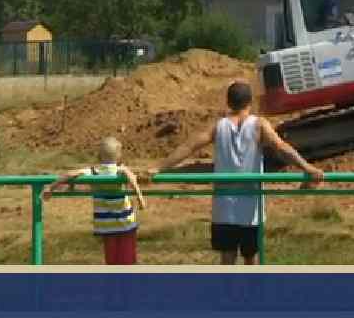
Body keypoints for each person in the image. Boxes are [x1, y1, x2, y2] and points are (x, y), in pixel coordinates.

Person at [153, 81, 323, 264]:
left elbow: (189, 146)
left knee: (227, 258)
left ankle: (229, 292)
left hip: (224, 207)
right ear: (250, 102)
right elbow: (281, 147)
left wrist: (159, 167)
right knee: (251, 258)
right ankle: (252, 292)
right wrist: (307, 167)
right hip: (250, 208)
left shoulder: (218, 126)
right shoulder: (259, 125)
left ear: (228, 102)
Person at [45, 136, 147, 265]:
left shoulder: (93, 172)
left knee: (111, 260)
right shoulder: (119, 170)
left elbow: (70, 174)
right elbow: (131, 177)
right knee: (128, 260)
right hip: (126, 224)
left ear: (99, 156)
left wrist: (51, 187)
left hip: (107, 226)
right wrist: (140, 197)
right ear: (119, 156)